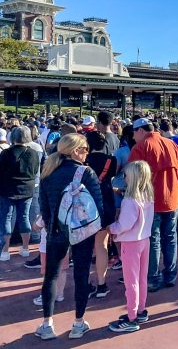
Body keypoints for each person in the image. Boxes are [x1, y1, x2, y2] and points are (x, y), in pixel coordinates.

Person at [35, 134, 104, 340]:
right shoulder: (86, 172)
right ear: (75, 151)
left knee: (51, 275)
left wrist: (51, 225)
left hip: (56, 229)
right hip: (82, 230)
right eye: (84, 149)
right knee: (81, 274)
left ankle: (47, 323)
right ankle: (78, 323)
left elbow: (44, 206)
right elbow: (97, 204)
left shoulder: (48, 171)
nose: (87, 153)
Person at [128, 118, 178, 292]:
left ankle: (153, 278)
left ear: (140, 130)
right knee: (170, 237)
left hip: (150, 201)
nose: (133, 136)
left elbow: (132, 177)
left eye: (133, 132)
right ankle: (170, 275)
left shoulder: (140, 147)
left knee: (153, 240)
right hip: (171, 200)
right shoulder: (172, 144)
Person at [108, 161, 155, 332]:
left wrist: (111, 228)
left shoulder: (130, 200)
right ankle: (139, 310)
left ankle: (131, 317)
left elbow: (124, 224)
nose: (124, 178)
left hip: (131, 243)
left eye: (126, 175)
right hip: (144, 240)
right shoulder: (147, 196)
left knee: (131, 281)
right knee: (141, 278)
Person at [85, 131, 117, 299]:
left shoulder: (83, 161)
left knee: (84, 247)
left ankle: (85, 283)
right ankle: (102, 284)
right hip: (105, 203)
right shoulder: (111, 160)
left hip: (86, 205)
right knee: (102, 245)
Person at [0, 126, 41, 261]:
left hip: (8, 189)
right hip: (27, 189)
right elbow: (35, 171)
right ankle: (25, 248)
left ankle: (5, 250)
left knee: (6, 218)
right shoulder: (33, 153)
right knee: (24, 217)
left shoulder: (6, 153)